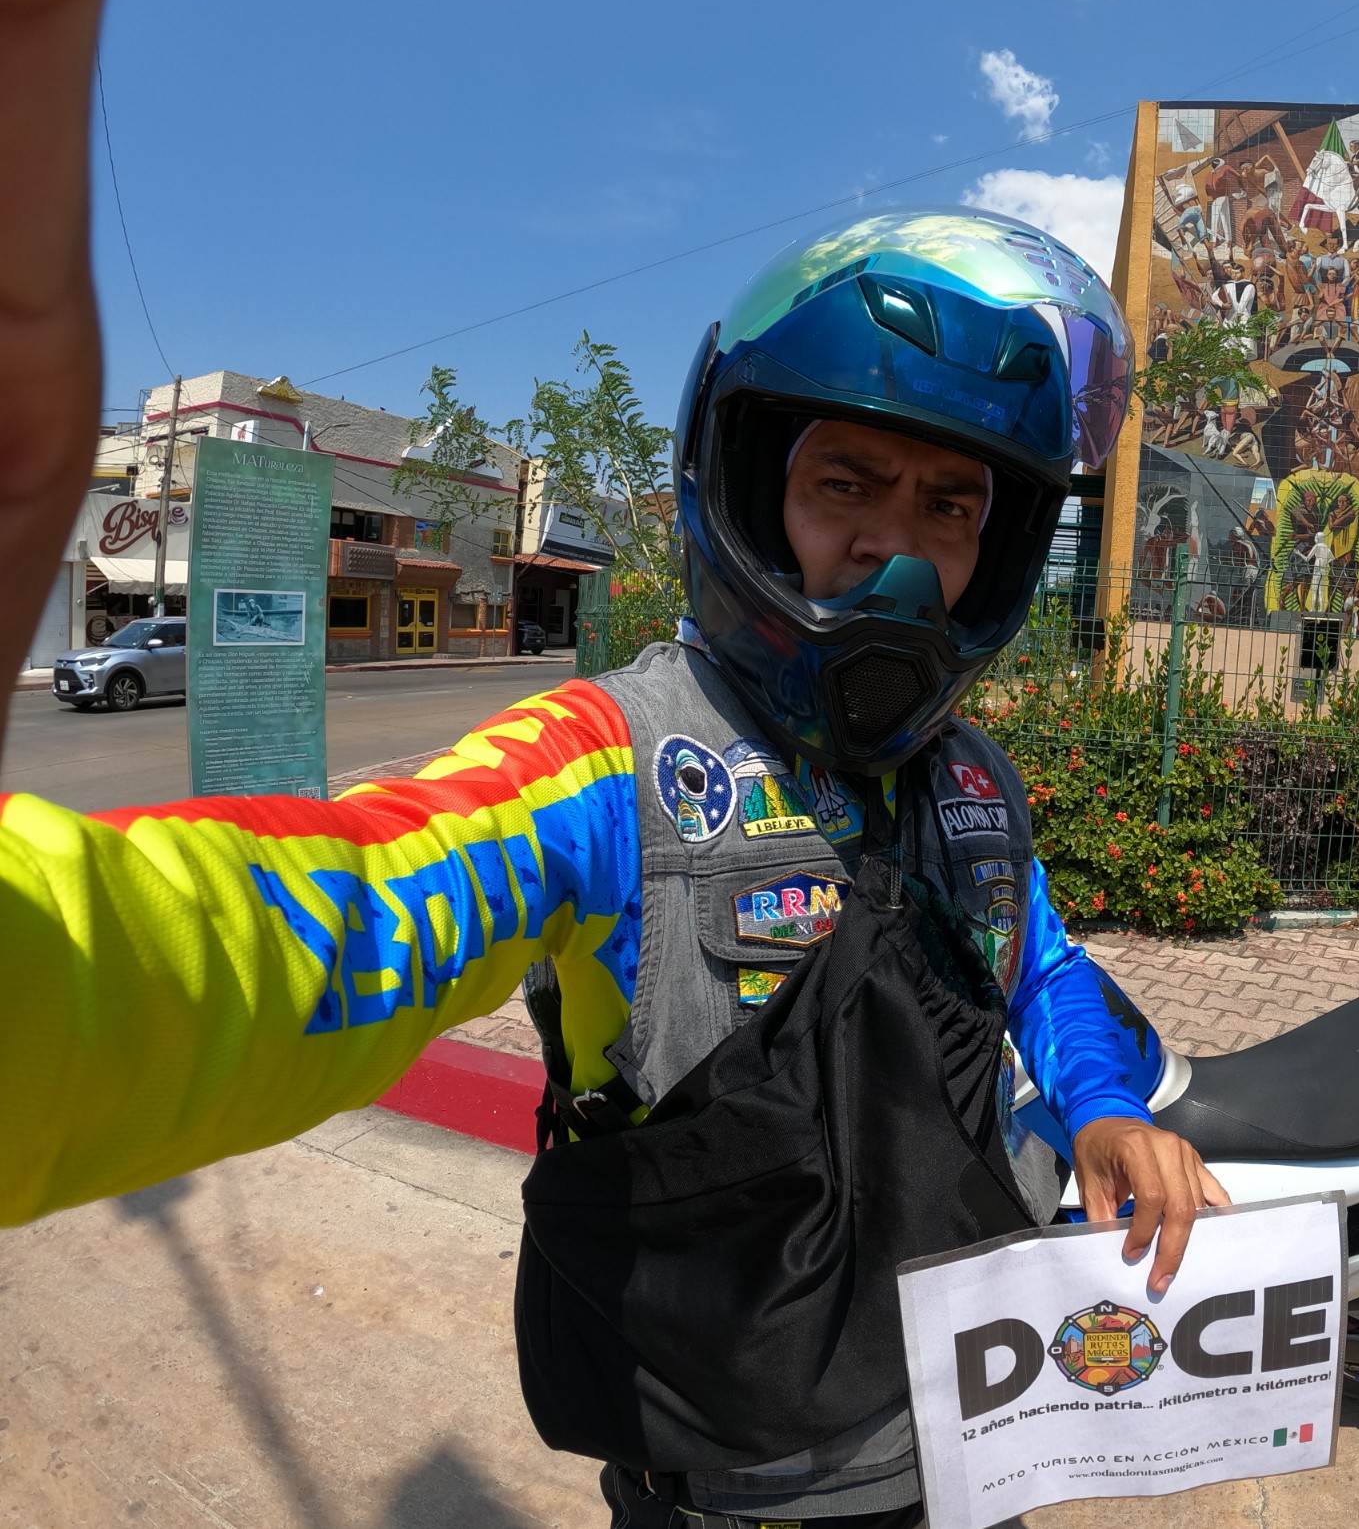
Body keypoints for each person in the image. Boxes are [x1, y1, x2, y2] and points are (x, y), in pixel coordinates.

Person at [1, 81, 1230, 1524]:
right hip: (728, 1486)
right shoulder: (612, 764)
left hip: (973, 1439)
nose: (892, 553)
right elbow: (327, 913)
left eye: (947, 508)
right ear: (748, 485)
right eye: (846, 485)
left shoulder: (967, 780)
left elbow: (1040, 963)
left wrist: (1100, 1107)